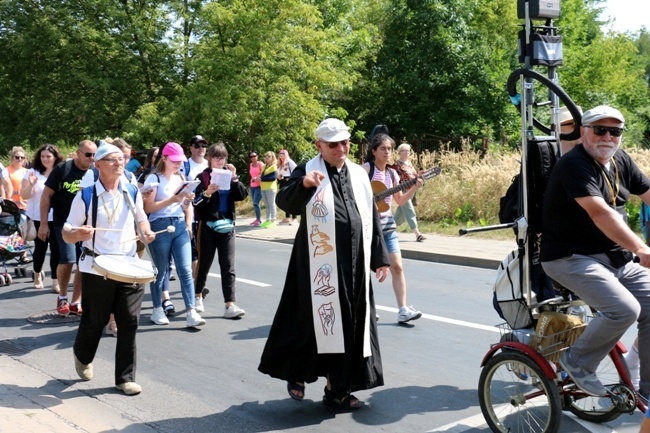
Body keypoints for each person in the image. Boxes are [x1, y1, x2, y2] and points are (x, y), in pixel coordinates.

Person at [259, 118, 390, 410]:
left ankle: (338, 388)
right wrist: (304, 185)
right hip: (316, 264)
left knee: (350, 323)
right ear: (320, 145)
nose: (340, 148)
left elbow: (369, 215)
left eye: (344, 142)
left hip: (354, 262)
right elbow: (286, 202)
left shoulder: (358, 173)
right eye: (333, 144)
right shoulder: (308, 169)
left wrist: (380, 258)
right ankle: (297, 373)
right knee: (310, 322)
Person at [540, 105, 650, 398]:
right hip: (570, 257)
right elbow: (600, 214)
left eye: (615, 131)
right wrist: (640, 247)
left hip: (614, 258)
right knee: (624, 309)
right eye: (600, 129)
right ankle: (577, 362)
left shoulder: (620, 160)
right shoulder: (574, 165)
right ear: (583, 132)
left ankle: (646, 390)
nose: (607, 137)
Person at [62, 143, 156, 396]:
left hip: (127, 264)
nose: (119, 163)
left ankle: (124, 378)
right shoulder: (86, 195)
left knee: (130, 320)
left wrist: (145, 231)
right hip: (97, 265)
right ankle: (82, 356)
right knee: (95, 320)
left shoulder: (131, 190)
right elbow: (67, 230)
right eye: (112, 160)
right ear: (98, 165)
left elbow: (141, 218)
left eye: (121, 159)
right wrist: (78, 233)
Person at [143, 142, 206, 328]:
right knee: (160, 271)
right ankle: (157, 309)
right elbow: (148, 208)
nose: (178, 164)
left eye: (180, 161)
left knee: (185, 269)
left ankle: (191, 311)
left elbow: (184, 206)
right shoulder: (153, 179)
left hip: (179, 225)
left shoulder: (181, 177)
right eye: (175, 160)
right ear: (164, 158)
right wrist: (173, 199)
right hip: (160, 225)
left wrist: (187, 205)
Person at [364, 133, 423, 324]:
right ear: (374, 151)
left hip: (387, 226)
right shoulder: (366, 169)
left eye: (390, 148)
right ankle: (366, 308)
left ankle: (403, 310)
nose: (387, 152)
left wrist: (413, 187)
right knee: (364, 269)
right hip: (368, 227)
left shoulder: (392, 174)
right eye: (383, 148)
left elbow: (398, 200)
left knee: (397, 266)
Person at [40, 140, 97, 316]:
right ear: (78, 153)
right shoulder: (63, 169)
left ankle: (76, 301)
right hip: (63, 223)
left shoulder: (95, 172)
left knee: (83, 262)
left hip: (85, 225)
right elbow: (46, 195)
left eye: (94, 154)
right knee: (69, 259)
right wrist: (43, 223)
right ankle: (62, 297)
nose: (92, 158)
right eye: (88, 154)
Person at [192, 142, 248, 317]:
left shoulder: (228, 175)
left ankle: (229, 304)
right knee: (204, 263)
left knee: (228, 266)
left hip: (227, 226)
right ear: (210, 159)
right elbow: (196, 203)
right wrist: (207, 192)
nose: (219, 161)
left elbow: (242, 195)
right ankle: (197, 295)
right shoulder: (202, 177)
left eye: (222, 158)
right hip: (208, 226)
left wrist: (235, 178)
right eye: (216, 158)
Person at [21, 144, 63, 291]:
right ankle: (37, 273)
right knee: (41, 248)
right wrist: (31, 184)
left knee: (57, 249)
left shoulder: (60, 172)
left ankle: (55, 280)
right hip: (38, 217)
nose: (45, 159)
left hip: (57, 216)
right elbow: (24, 196)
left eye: (49, 156)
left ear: (55, 157)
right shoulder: (32, 172)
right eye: (43, 156)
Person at [392, 143, 426, 242]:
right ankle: (417, 234)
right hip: (403, 191)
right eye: (404, 151)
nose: (407, 152)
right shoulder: (396, 165)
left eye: (408, 151)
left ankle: (387, 230)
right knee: (410, 210)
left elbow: (413, 175)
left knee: (401, 213)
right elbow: (395, 179)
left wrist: (419, 175)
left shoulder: (409, 163)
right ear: (399, 152)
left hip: (411, 190)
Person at [276, 149, 298, 225]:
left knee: (292, 199)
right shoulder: (279, 164)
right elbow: (279, 173)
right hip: (282, 182)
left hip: (289, 181)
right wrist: (278, 176)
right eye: (280, 153)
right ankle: (288, 217)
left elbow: (297, 169)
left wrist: (292, 177)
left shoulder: (289, 162)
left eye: (283, 153)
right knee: (285, 199)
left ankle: (294, 218)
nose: (281, 155)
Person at [259, 151, 278, 228]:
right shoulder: (264, 166)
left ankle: (273, 221)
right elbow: (263, 176)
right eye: (265, 156)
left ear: (272, 158)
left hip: (270, 188)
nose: (266, 158)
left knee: (271, 204)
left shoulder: (274, 166)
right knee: (267, 205)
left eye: (268, 156)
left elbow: (272, 178)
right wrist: (259, 178)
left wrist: (261, 179)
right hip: (263, 187)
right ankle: (267, 220)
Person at [248, 151, 264, 226]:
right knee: (255, 204)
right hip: (252, 186)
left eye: (254, 156)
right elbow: (251, 174)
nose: (253, 158)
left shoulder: (260, 164)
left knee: (255, 202)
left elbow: (264, 173)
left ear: (257, 156)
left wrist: (258, 177)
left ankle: (259, 219)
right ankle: (257, 219)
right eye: (251, 157)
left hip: (259, 186)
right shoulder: (251, 165)